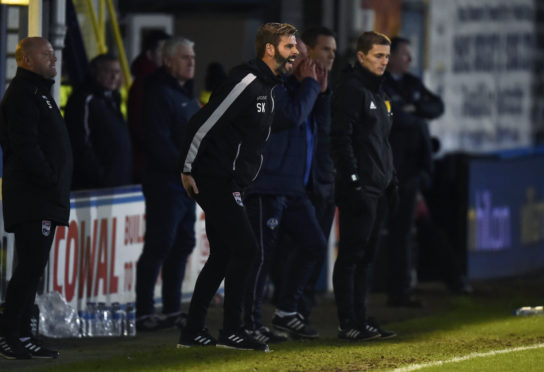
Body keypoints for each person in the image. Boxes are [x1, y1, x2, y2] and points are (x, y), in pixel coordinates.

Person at [177, 22, 298, 352]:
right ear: (270, 49)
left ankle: (193, 331)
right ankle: (233, 331)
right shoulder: (246, 81)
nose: (296, 52)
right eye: (290, 47)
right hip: (214, 177)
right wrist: (187, 168)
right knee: (247, 250)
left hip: (231, 180)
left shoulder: (268, 89)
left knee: (224, 254)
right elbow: (202, 122)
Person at [243, 36, 329, 342]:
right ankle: (248, 323)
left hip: (293, 187)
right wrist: (309, 86)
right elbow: (291, 117)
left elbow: (318, 123)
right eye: (300, 58)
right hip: (268, 184)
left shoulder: (296, 87)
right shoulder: (270, 86)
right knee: (261, 257)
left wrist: (321, 91)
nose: (307, 64)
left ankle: (286, 311)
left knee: (314, 244)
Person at [0, 37, 72, 359]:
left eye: (53, 55)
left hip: (45, 196)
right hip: (34, 197)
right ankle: (8, 335)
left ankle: (23, 334)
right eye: (45, 55)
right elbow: (26, 147)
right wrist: (50, 179)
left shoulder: (40, 93)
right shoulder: (22, 96)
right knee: (29, 267)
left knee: (33, 268)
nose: (53, 60)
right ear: (26, 60)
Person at [330, 31, 397, 341]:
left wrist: (391, 179)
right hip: (361, 188)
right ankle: (348, 323)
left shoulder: (380, 93)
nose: (384, 61)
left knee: (367, 257)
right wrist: (353, 180)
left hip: (378, 186)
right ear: (360, 57)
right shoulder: (351, 91)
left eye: (386, 55)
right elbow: (340, 140)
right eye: (378, 56)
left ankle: (361, 317)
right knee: (352, 256)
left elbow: (382, 143)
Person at [135, 37, 200, 331]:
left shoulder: (183, 92)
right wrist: (184, 167)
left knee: (184, 242)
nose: (191, 62)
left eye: (192, 57)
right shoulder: (159, 93)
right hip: (165, 182)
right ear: (169, 60)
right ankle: (144, 311)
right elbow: (158, 141)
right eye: (185, 57)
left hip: (184, 183)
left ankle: (172, 309)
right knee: (160, 244)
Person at [382, 37, 444, 307]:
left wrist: (415, 110)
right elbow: (394, 117)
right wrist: (414, 115)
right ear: (392, 56)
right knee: (376, 234)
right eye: (405, 54)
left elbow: (437, 106)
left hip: (409, 174)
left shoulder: (412, 83)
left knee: (404, 232)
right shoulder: (382, 84)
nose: (409, 60)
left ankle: (401, 290)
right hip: (385, 172)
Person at [296, 26, 337, 320]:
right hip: (299, 186)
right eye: (326, 49)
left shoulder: (329, 91)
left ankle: (302, 311)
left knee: (316, 249)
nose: (331, 56)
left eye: (334, 51)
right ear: (309, 52)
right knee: (298, 249)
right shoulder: (297, 89)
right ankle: (290, 309)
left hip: (324, 183)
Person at [65, 54, 132, 190]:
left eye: (117, 72)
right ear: (95, 72)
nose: (114, 77)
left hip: (119, 183)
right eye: (108, 71)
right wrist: (100, 175)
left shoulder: (113, 99)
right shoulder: (84, 100)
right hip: (94, 186)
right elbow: (80, 142)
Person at [128, 30, 171, 183]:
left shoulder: (161, 83)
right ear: (149, 54)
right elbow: (142, 127)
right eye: (162, 50)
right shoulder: (146, 85)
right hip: (150, 165)